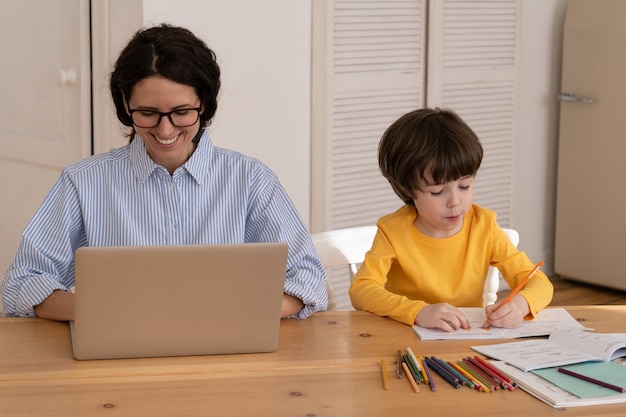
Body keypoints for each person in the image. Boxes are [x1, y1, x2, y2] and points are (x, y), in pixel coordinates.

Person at [2, 24, 327, 321]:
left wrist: (236, 314)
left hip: (226, 353)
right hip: (118, 356)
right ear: (126, 106)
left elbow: (308, 278)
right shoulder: (83, 182)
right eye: (148, 113)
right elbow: (21, 283)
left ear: (205, 105)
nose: (165, 129)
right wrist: (105, 313)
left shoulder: (251, 180)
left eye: (182, 112)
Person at [348, 108, 553, 331]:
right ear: (407, 189)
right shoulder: (392, 231)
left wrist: (520, 305)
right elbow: (362, 290)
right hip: (407, 340)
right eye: (437, 192)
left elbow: (539, 282)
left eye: (464, 186)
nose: (455, 201)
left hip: (466, 342)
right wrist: (418, 312)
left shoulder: (483, 226)